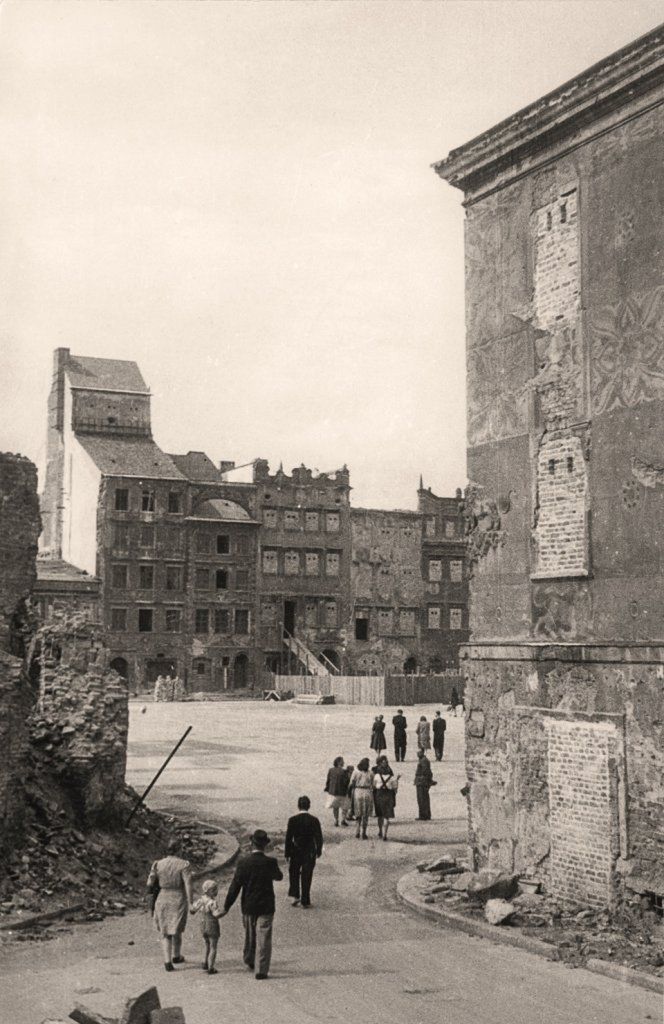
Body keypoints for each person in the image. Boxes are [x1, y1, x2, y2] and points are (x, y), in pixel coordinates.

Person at [222, 828, 283, 980]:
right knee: (264, 937)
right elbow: (279, 877)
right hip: (266, 905)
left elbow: (235, 886)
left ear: (251, 844)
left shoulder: (243, 862)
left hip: (248, 905)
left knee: (250, 934)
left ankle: (249, 959)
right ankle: (261, 970)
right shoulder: (270, 862)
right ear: (265, 846)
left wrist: (226, 906)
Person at [146, 838, 194, 972]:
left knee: (165, 931)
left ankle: (167, 961)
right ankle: (176, 956)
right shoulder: (184, 864)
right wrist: (191, 902)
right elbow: (188, 884)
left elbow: (149, 884)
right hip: (178, 897)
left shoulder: (157, 864)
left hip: (162, 897)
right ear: (179, 849)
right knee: (176, 929)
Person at [285, 795, 323, 908]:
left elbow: (288, 838)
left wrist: (287, 853)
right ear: (309, 806)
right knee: (307, 874)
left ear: (298, 806)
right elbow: (319, 837)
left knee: (294, 873)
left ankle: (295, 896)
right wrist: (318, 850)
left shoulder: (292, 820)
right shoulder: (314, 820)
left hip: (296, 850)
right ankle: (305, 899)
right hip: (309, 851)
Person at [190, 879, 225, 974]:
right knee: (213, 946)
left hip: (203, 925)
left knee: (206, 944)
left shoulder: (200, 900)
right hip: (212, 925)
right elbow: (216, 914)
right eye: (214, 890)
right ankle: (211, 967)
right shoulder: (212, 902)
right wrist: (224, 912)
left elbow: (192, 910)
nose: (216, 891)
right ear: (209, 891)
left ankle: (204, 962)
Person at [372, 756, 400, 841]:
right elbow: (395, 789)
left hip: (379, 795)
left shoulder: (376, 776)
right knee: (386, 816)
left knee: (379, 815)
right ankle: (385, 834)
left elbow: (373, 786)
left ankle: (380, 830)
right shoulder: (391, 778)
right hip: (388, 795)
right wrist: (397, 780)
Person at [349, 758, 374, 839]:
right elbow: (373, 784)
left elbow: (351, 783)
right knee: (365, 814)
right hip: (367, 792)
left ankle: (357, 831)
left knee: (358, 813)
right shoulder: (370, 773)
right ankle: (364, 832)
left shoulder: (355, 772)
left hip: (357, 791)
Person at [324, 756, 350, 826]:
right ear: (339, 762)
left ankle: (336, 820)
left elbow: (328, 780)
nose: (343, 762)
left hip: (333, 791)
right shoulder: (344, 771)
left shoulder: (331, 770)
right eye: (342, 761)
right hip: (342, 792)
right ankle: (343, 820)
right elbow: (346, 782)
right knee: (345, 807)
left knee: (335, 807)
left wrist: (328, 788)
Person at [414, 749, 436, 820]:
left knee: (422, 799)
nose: (417, 753)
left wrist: (427, 781)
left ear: (422, 752)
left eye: (419, 752)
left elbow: (426, 772)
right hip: (421, 782)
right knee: (422, 799)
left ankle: (424, 815)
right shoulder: (423, 760)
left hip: (422, 782)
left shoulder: (424, 761)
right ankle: (424, 814)